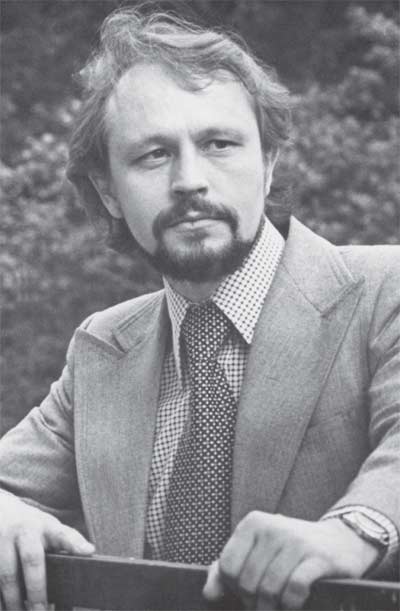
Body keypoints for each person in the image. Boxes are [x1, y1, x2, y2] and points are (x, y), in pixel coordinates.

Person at [0, 7, 399, 611]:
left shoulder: (385, 291)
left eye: (219, 144)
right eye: (153, 155)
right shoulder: (102, 348)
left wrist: (353, 530)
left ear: (268, 163)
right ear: (109, 191)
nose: (189, 180)